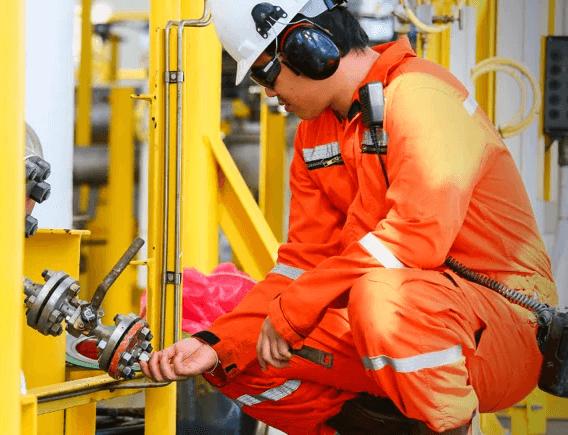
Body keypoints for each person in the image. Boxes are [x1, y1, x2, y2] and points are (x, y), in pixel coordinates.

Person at [139, 1, 557, 434]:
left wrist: (294, 310)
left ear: (306, 48)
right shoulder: (314, 135)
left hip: (502, 331)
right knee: (238, 360)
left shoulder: (421, 97)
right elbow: (300, 265)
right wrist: (216, 342)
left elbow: (416, 240)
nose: (267, 92)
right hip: (396, 320)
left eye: (266, 73)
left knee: (381, 299)